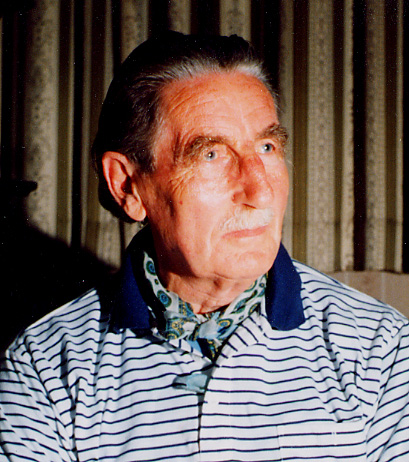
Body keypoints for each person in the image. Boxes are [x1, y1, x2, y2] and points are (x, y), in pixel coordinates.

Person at [0, 31, 408, 462]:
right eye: (210, 154)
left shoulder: (380, 351)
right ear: (127, 185)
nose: (260, 190)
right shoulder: (46, 366)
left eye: (267, 146)